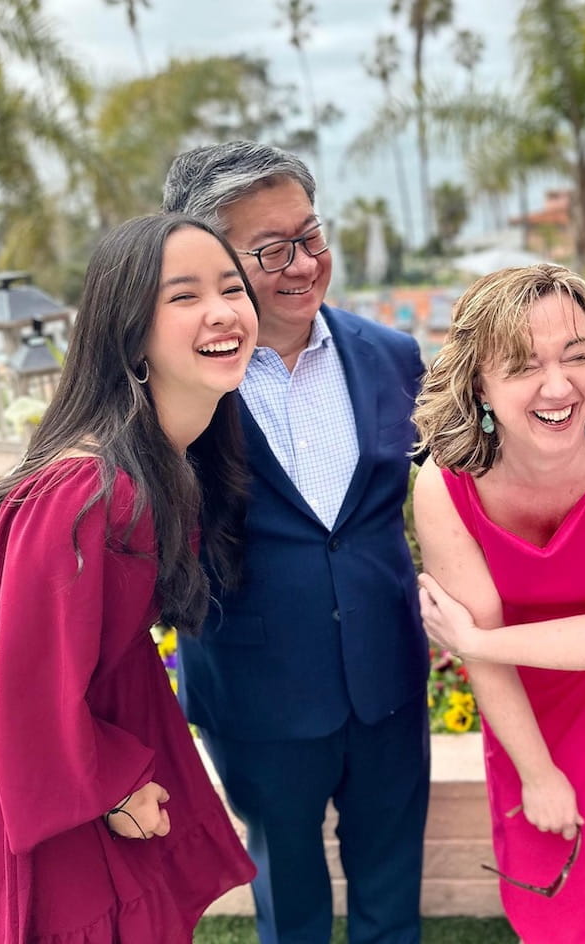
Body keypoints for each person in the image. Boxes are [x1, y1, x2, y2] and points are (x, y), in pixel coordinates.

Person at [161, 142, 429, 944]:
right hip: (255, 685)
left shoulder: (393, 355)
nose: (303, 264)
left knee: (392, 887)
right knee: (293, 897)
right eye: (270, 249)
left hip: (387, 673)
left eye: (309, 237)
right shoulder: (179, 379)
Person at [0, 212, 260, 943]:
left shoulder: (164, 464)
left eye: (232, 287)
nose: (224, 310)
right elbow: (29, 692)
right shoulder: (91, 493)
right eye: (185, 295)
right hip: (57, 801)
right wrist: (112, 786)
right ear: (129, 332)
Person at [412, 264, 585, 944]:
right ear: (479, 378)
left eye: (577, 355)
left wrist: (475, 642)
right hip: (517, 692)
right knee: (542, 871)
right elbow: (486, 646)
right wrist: (537, 774)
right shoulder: (443, 486)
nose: (560, 386)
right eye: (524, 367)